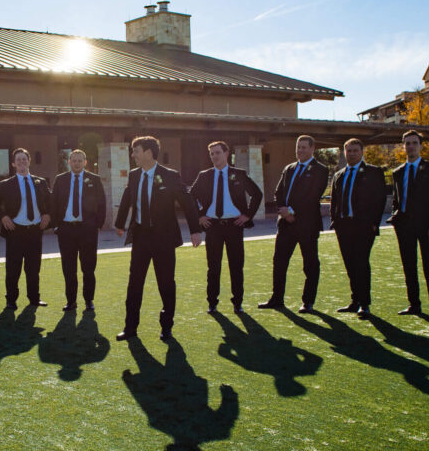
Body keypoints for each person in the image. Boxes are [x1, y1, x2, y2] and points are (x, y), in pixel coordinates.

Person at [114, 136, 202, 342]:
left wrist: (195, 230)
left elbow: (187, 202)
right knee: (134, 283)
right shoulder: (134, 175)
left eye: (136, 150)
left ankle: (166, 327)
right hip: (141, 237)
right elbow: (128, 196)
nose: (133, 155)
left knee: (166, 283)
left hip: (163, 238)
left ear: (148, 153)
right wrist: (119, 223)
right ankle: (130, 328)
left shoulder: (170, 176)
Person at [189, 141, 263, 314]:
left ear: (226, 153)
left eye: (217, 153)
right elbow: (190, 197)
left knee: (236, 266)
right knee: (213, 266)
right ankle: (212, 303)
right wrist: (200, 216)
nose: (214, 156)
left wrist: (247, 216)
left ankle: (238, 302)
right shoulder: (204, 175)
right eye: (212, 154)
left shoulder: (238, 174)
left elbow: (257, 194)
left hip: (234, 226)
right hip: (213, 226)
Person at [259, 135, 329, 313]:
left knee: (310, 264)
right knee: (279, 262)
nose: (300, 151)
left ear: (313, 148)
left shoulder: (320, 170)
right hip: (285, 225)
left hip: (306, 225)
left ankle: (308, 302)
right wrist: (283, 209)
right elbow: (278, 192)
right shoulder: (289, 168)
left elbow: (312, 196)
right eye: (298, 147)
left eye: (304, 147)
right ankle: (277, 298)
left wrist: (291, 212)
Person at [386, 130, 429, 321]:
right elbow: (397, 199)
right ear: (403, 146)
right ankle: (414, 304)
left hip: (426, 227)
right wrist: (395, 218)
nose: (410, 146)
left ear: (421, 146)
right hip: (404, 227)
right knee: (409, 266)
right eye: (407, 143)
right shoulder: (398, 172)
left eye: (414, 143)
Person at [330, 138, 386, 319]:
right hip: (343, 226)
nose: (352, 153)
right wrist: (335, 221)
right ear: (344, 153)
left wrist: (373, 223)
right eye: (349, 151)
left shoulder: (373, 172)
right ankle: (354, 300)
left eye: (355, 150)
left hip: (363, 226)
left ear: (362, 152)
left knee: (361, 263)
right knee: (350, 265)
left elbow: (380, 199)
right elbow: (335, 201)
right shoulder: (339, 174)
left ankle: (365, 303)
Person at [0, 148, 52, 309]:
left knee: (33, 268)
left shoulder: (41, 182)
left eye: (24, 159)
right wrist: (3, 217)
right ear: (13, 164)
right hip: (15, 232)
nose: (22, 162)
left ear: (29, 161)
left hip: (34, 231)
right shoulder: (6, 184)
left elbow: (51, 202)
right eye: (18, 160)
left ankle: (34, 298)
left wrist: (47, 215)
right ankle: (11, 300)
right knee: (13, 268)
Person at [50, 149, 106, 311]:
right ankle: (71, 301)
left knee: (88, 268)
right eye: (73, 161)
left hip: (87, 231)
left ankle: (89, 301)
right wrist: (56, 225)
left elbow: (102, 203)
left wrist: (98, 225)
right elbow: (53, 204)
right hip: (66, 230)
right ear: (69, 162)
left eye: (79, 161)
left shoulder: (94, 179)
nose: (76, 163)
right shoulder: (60, 180)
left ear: (85, 162)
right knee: (69, 268)